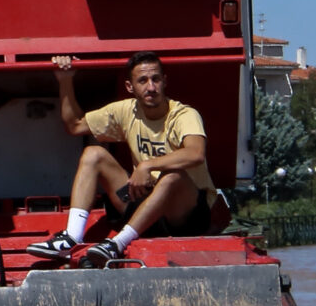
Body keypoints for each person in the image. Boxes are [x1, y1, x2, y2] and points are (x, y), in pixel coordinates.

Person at [27, 50, 223, 266]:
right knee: (93, 154)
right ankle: (72, 237)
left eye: (156, 79)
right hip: (145, 206)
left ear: (165, 81)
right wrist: (65, 80)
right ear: (130, 87)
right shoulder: (127, 111)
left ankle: (117, 243)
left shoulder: (184, 114)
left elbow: (195, 153)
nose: (151, 87)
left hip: (185, 214)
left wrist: (147, 166)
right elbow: (74, 125)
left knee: (172, 176)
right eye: (143, 80)